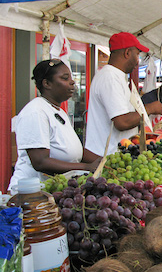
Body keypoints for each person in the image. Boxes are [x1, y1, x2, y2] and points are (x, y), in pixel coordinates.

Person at [9, 59, 101, 192]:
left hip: (55, 191)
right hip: (31, 195)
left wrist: (103, 161)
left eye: (70, 77)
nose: (72, 82)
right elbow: (40, 162)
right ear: (46, 83)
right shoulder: (36, 112)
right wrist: (86, 167)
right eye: (65, 78)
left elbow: (72, 151)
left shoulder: (59, 111)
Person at [85, 32, 162, 158]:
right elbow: (122, 122)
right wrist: (149, 108)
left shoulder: (116, 76)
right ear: (127, 53)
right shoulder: (110, 77)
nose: (137, 61)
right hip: (107, 156)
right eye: (137, 54)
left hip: (117, 153)